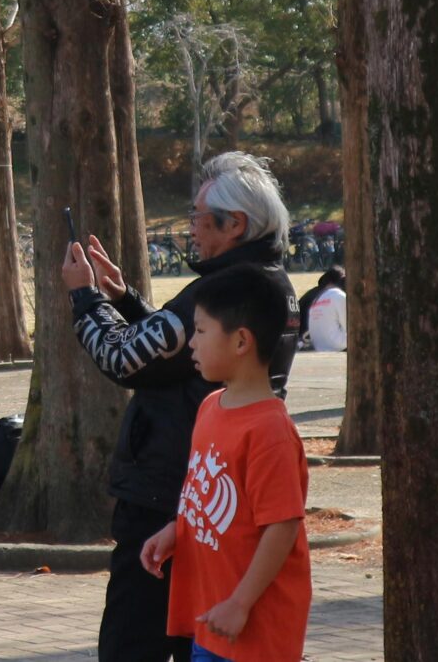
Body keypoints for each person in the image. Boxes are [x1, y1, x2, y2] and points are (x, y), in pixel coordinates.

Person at [62, 151, 297, 662]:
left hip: (166, 492)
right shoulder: (270, 284)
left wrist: (84, 299)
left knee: (134, 642)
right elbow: (184, 352)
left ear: (234, 223)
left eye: (197, 215)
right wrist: (124, 300)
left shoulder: (224, 291)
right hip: (200, 504)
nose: (189, 226)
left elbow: (126, 359)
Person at [140, 266, 312, 662]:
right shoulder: (209, 408)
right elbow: (204, 491)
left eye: (200, 331)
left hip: (255, 630)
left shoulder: (270, 431)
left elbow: (282, 527)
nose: (191, 345)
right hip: (213, 620)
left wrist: (241, 602)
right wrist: (176, 529)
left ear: (240, 342)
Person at [295, 267, 347, 353]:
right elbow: (347, 326)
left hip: (308, 342)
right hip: (325, 344)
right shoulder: (335, 295)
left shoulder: (313, 296)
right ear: (330, 284)